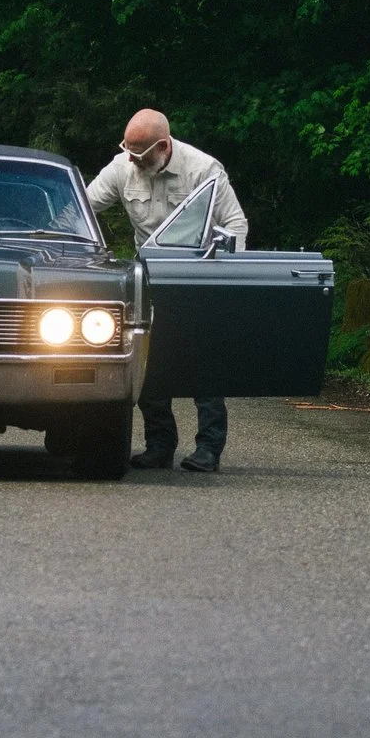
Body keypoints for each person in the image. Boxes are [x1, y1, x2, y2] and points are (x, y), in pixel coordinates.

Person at [83, 108, 249, 473]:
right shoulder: (122, 167)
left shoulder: (204, 170)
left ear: (163, 146)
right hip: (150, 278)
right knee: (150, 364)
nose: (132, 160)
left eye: (139, 154)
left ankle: (209, 448)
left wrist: (220, 275)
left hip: (197, 277)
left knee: (204, 364)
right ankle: (159, 446)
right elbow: (82, 208)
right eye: (127, 150)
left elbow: (235, 224)